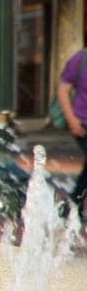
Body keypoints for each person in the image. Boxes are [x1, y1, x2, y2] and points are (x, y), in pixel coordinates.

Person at [56, 48, 87, 219]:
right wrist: (71, 120)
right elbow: (62, 90)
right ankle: (73, 206)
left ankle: (72, 207)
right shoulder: (80, 59)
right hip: (82, 124)